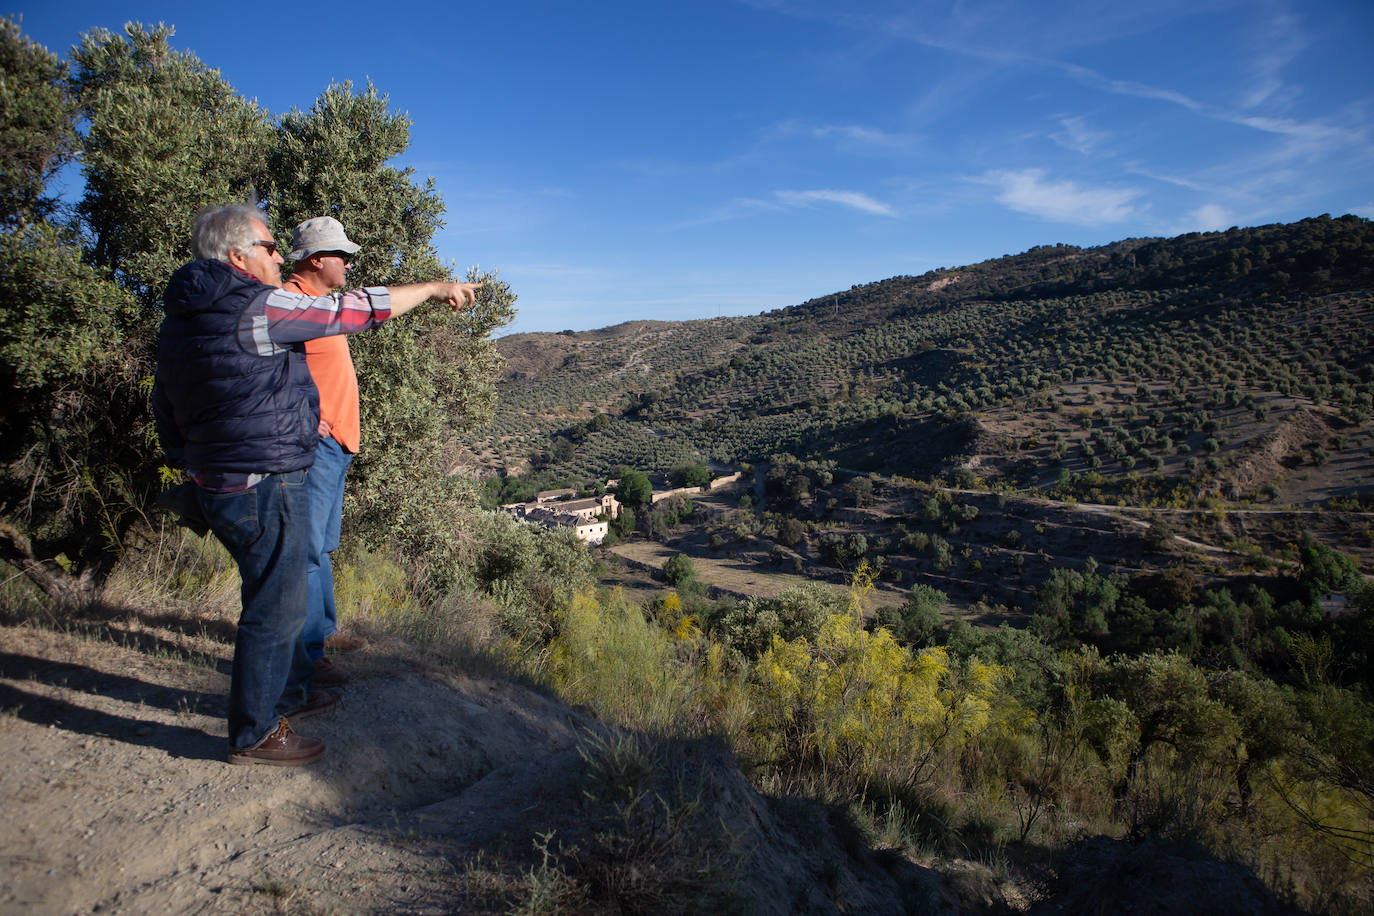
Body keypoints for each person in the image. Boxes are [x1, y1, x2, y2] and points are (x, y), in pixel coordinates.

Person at [152, 203, 477, 766]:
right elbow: (352, 312)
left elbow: (165, 403)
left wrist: (192, 462)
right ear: (236, 257)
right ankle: (256, 731)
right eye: (270, 247)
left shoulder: (185, 318)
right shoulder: (255, 307)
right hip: (263, 478)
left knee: (272, 594)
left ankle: (283, 700)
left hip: (220, 480)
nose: (280, 255)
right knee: (274, 605)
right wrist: (428, 288)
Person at [286, 217, 367, 689]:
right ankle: (308, 656)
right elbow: (265, 367)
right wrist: (303, 417)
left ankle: (321, 634)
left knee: (322, 546)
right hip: (316, 445)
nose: (348, 262)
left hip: (336, 445)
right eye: (342, 254)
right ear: (316, 259)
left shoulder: (320, 306)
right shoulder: (293, 305)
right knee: (307, 550)